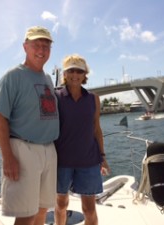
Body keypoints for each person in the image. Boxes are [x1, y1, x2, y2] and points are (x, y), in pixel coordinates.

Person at [0, 26, 59, 225]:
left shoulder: (47, 79)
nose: (41, 49)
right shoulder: (12, 77)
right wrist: (7, 156)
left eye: (46, 45)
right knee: (26, 215)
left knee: (41, 210)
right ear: (25, 47)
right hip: (24, 149)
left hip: (49, 149)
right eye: (36, 44)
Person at [54, 54, 111, 225]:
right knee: (61, 204)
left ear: (85, 75)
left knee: (89, 209)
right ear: (64, 74)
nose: (75, 74)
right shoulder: (56, 97)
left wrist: (103, 157)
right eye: (71, 70)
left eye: (79, 71)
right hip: (62, 161)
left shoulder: (93, 99)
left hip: (89, 161)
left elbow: (97, 129)